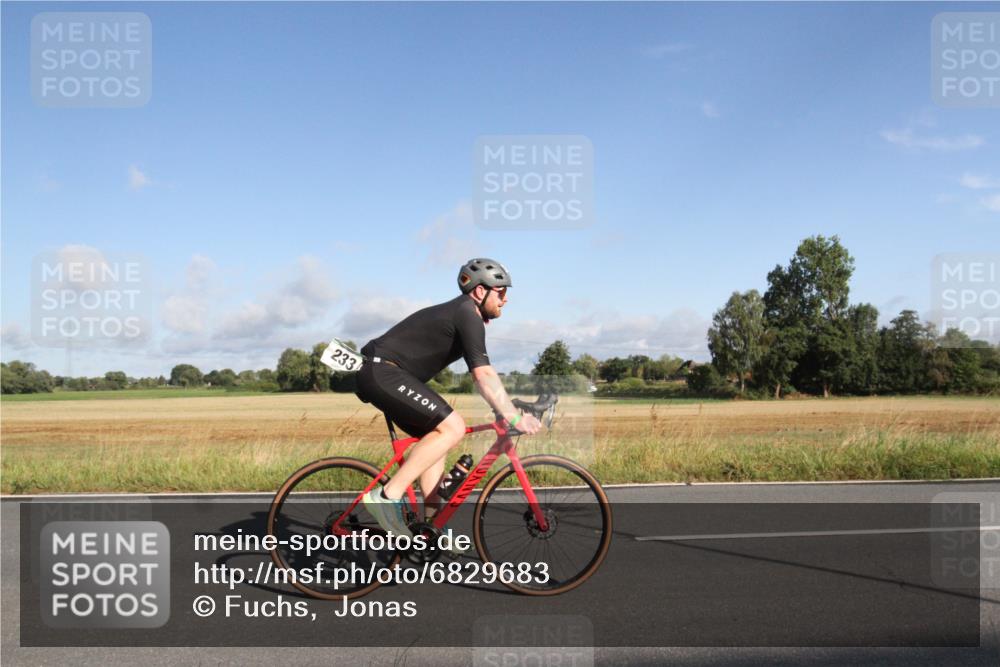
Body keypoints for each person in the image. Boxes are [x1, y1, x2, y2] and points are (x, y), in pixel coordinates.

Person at [356, 258, 542, 537]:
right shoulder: (467, 313)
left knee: (438, 440)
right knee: (452, 427)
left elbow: (486, 375)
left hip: (387, 374)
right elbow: (482, 375)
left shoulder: (466, 314)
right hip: (383, 372)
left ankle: (428, 529)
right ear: (480, 291)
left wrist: (506, 403)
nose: (506, 299)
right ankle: (386, 497)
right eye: (501, 291)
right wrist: (513, 416)